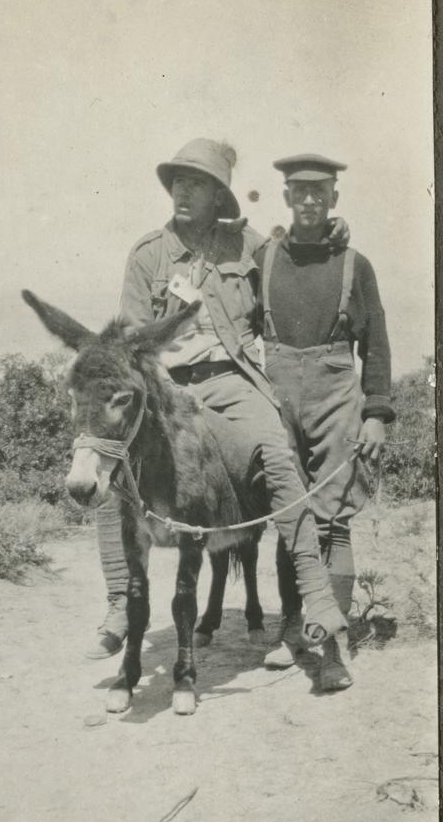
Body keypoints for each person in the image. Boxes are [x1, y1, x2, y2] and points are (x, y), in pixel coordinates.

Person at [88, 138, 349, 685]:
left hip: (231, 381)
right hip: (166, 388)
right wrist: (157, 390)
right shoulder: (148, 254)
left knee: (278, 457)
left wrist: (331, 234)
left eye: (197, 183)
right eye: (178, 182)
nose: (183, 192)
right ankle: (119, 602)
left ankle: (318, 599)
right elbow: (132, 339)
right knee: (109, 460)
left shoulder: (246, 245)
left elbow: (296, 260)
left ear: (218, 196)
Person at [255, 154, 394, 689]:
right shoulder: (266, 258)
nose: (309, 200)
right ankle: (292, 629)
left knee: (332, 519)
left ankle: (332, 647)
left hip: (337, 397)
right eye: (299, 191)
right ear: (286, 198)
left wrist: (376, 413)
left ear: (334, 198)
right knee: (290, 515)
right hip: (278, 399)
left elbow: (376, 343)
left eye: (320, 191)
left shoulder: (356, 265)